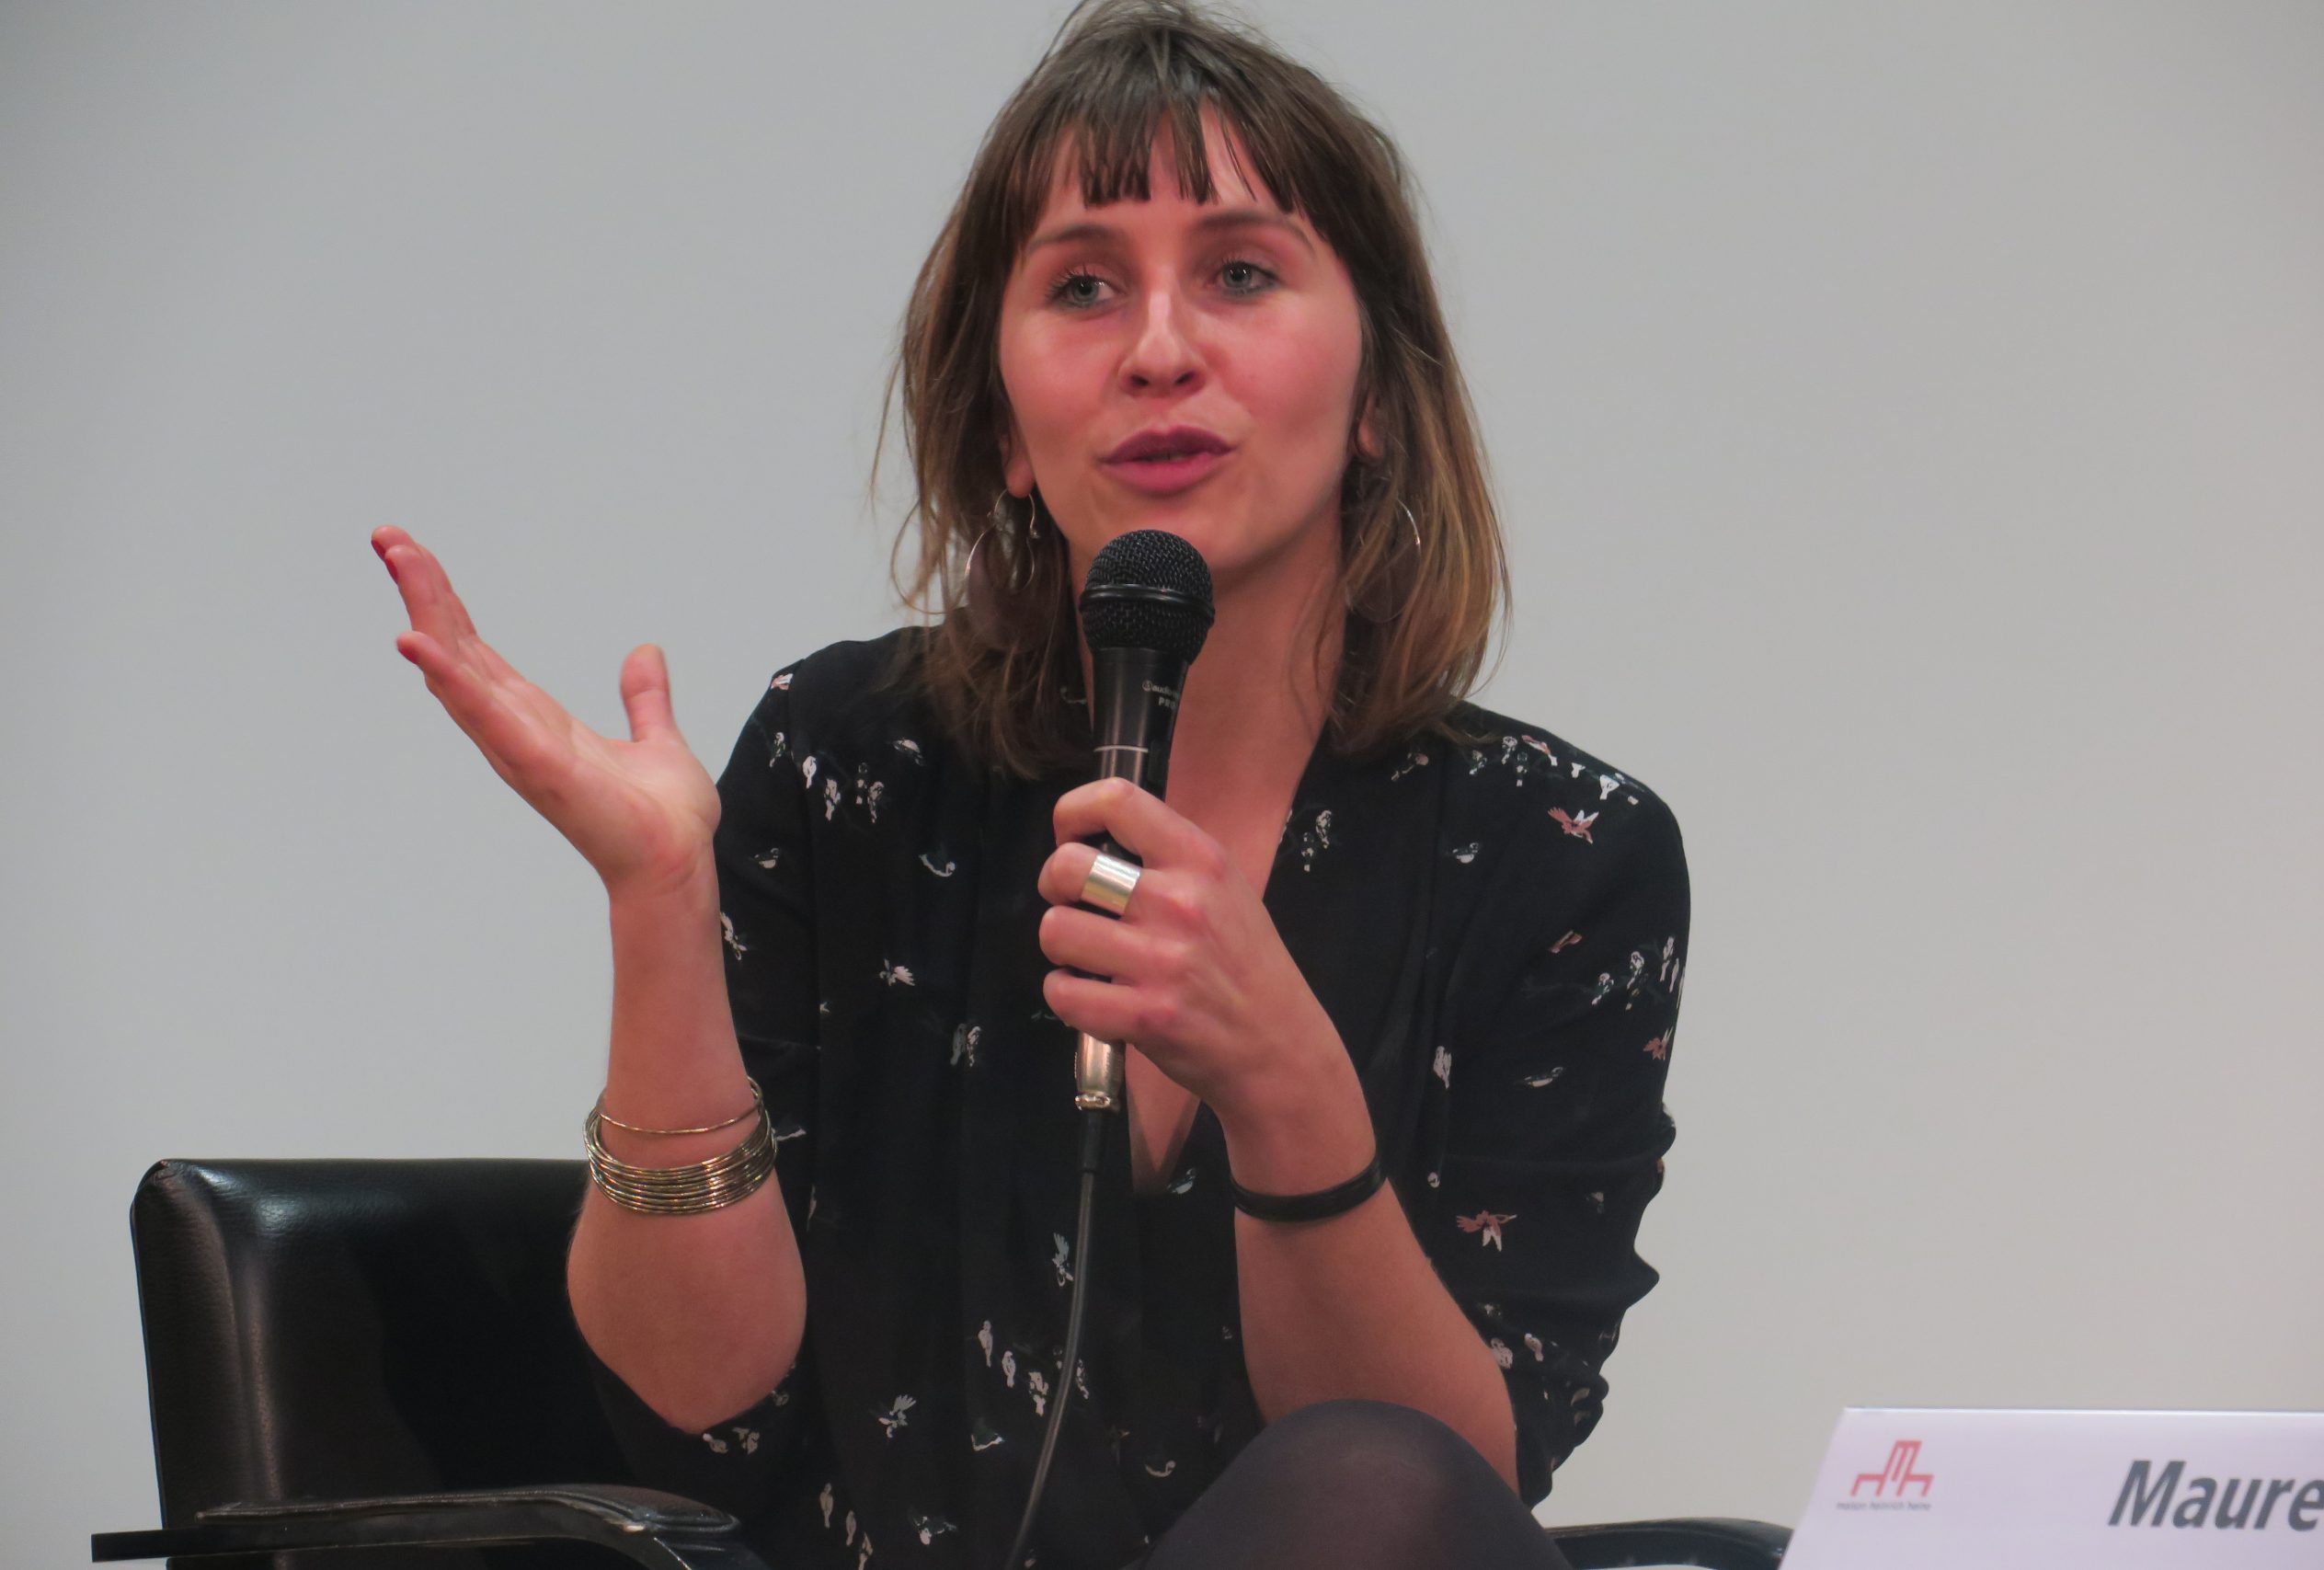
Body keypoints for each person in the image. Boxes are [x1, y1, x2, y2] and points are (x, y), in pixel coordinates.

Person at [373, 4, 1689, 1567]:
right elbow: (692, 1408)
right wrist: (659, 906)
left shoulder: (1564, 857)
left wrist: (1287, 1092)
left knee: (1373, 1489)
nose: (1158, 350)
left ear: (1381, 399)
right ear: (1002, 422)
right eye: (1082, 287)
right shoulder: (849, 762)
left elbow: (1456, 1498)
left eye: (1241, 274)